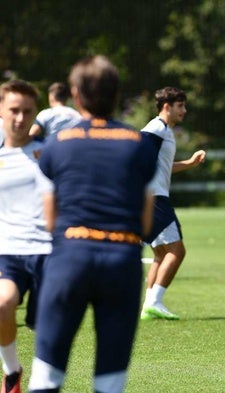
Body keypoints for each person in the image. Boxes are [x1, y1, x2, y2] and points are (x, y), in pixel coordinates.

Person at [27, 55, 158, 393]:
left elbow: (49, 219)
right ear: (116, 95)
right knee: (110, 381)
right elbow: (146, 221)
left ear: (76, 94)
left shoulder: (56, 145)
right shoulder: (141, 146)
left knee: (47, 374)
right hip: (121, 261)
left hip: (69, 258)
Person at [0, 80, 52, 393]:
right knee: (2, 304)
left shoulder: (50, 154)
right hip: (10, 252)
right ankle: (12, 372)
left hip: (50, 253)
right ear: (1, 111)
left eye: (27, 111)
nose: (20, 118)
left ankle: (43, 383)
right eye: (14, 110)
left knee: (47, 328)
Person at [140, 87, 206, 321]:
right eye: (180, 106)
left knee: (160, 253)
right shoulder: (156, 128)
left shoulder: (164, 130)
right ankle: (155, 301)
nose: (184, 111)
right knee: (177, 251)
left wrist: (188, 163)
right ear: (166, 106)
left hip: (153, 196)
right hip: (154, 198)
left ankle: (150, 304)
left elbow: (161, 166)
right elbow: (136, 154)